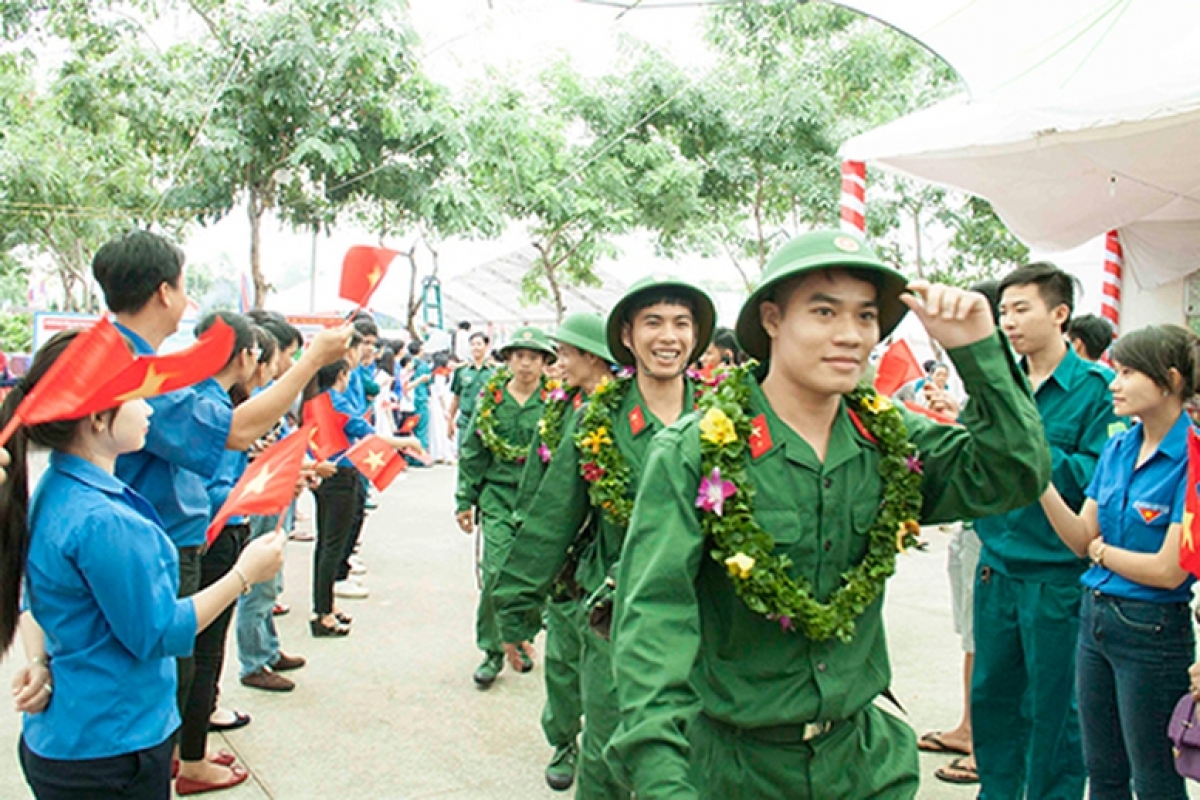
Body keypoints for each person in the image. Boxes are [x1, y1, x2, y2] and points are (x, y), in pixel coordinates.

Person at [607, 230, 1051, 799]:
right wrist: (661, 776)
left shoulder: (888, 440)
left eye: (866, 316)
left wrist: (979, 352)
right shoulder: (696, 451)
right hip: (737, 769)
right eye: (824, 312)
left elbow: (1015, 471)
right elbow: (654, 616)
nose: (851, 334)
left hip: (862, 764)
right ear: (772, 319)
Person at [86, 231, 349, 791]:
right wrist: (313, 361)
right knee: (171, 669)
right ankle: (170, 765)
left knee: (175, 669)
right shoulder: (137, 367)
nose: (187, 300)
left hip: (161, 534)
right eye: (184, 286)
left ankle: (172, 760)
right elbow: (236, 432)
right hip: (158, 539)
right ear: (164, 292)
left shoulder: (134, 359)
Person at [0, 330, 286, 800]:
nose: (151, 409)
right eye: (138, 396)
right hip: (112, 748)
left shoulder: (55, 490)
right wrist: (244, 574)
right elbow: (159, 632)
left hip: (67, 734)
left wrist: (38, 662)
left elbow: (34, 601)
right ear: (98, 417)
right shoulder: (105, 520)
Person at [494, 276, 715, 799]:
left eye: (681, 323)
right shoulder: (598, 420)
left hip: (707, 614)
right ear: (627, 336)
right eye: (653, 323)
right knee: (609, 748)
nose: (669, 337)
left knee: (699, 750)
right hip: (615, 614)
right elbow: (553, 519)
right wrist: (516, 613)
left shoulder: (723, 416)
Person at [972, 262, 1122, 800]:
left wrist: (1032, 454)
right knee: (993, 699)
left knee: (1056, 710)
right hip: (996, 568)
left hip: (1056, 575)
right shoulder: (1000, 384)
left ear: (1060, 314)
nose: (1008, 321)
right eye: (1003, 311)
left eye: (1021, 309)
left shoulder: (1097, 390)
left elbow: (1098, 474)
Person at [1040, 324, 1198, 799]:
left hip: (1153, 632)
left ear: (1170, 380)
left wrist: (1101, 552)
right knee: (1103, 771)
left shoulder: (1192, 458)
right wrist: (1039, 483)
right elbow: (1080, 538)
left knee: (1154, 779)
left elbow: (1168, 569)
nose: (1114, 383)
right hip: (1096, 620)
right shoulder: (1118, 447)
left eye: (1128, 372)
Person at [511, 313, 615, 792]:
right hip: (566, 562)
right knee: (563, 660)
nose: (558, 365)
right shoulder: (558, 412)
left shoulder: (626, 410)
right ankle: (563, 739)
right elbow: (535, 486)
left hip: (610, 566)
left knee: (609, 673)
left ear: (592, 357)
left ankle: (606, 753)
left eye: (566, 355)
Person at [455, 327, 557, 688]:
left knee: (532, 576)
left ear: (544, 362)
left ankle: (521, 635)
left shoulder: (556, 402)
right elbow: (473, 450)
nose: (526, 364)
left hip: (539, 501)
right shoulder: (492, 399)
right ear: (508, 360)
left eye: (533, 357)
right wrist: (464, 499)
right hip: (497, 497)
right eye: (519, 356)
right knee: (496, 573)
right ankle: (493, 649)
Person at [449, 331, 494, 444]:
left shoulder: (495, 371)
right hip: (466, 421)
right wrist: (450, 421)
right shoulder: (462, 371)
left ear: (486, 346)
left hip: (488, 421)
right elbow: (456, 398)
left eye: (479, 344)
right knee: (464, 451)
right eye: (473, 344)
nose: (475, 347)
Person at [429, 352, 456, 464]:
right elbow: (440, 394)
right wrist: (446, 409)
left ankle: (439, 453)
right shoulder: (439, 374)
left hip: (437, 404)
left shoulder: (437, 373)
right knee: (442, 429)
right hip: (439, 405)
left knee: (438, 429)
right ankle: (445, 454)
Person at [408, 339, 433, 450]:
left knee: (409, 428)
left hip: (407, 401)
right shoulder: (424, 366)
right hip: (421, 398)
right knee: (422, 428)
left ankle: (410, 454)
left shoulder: (406, 363)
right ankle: (420, 452)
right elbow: (429, 383)